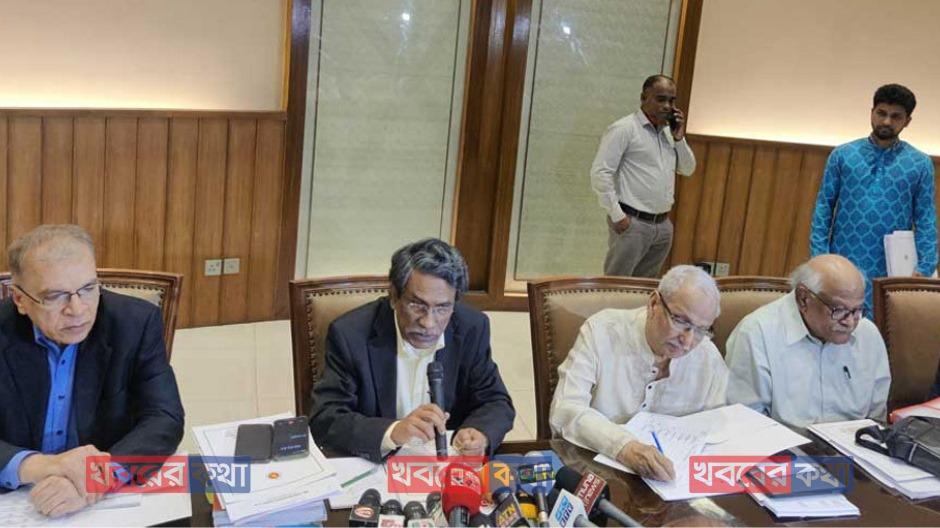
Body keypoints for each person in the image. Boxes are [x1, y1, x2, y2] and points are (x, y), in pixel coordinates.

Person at [0, 225, 184, 517]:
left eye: (88, 289)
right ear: (20, 300)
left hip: (101, 499)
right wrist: (39, 466)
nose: (77, 310)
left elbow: (164, 417)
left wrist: (97, 476)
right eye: (55, 296)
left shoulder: (134, 322)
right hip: (15, 495)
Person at [309, 238, 515, 462]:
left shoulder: (471, 327)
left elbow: (495, 401)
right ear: (394, 296)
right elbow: (326, 418)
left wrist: (480, 433)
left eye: (442, 307)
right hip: (377, 463)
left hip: (445, 465)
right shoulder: (350, 334)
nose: (428, 323)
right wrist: (392, 432)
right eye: (417, 305)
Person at [549, 265, 726, 481]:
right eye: (681, 321)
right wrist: (625, 447)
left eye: (701, 329)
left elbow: (721, 423)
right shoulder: (602, 332)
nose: (687, 341)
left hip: (673, 482)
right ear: (654, 303)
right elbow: (565, 410)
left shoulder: (707, 356)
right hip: (598, 475)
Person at [810, 83, 937, 316]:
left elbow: (925, 218)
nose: (887, 121)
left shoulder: (920, 164)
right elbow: (823, 207)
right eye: (881, 113)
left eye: (896, 116)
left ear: (907, 121)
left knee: (882, 330)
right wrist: (820, 257)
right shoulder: (843, 155)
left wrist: (925, 267)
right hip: (842, 262)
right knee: (834, 323)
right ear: (871, 112)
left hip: (891, 270)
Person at [725, 255, 890, 430]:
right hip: (785, 444)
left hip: (854, 443)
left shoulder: (867, 334)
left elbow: (876, 419)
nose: (850, 322)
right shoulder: (756, 333)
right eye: (839, 310)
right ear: (803, 298)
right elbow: (746, 425)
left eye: (857, 310)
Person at [590, 74, 697, 278]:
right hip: (632, 223)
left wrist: (679, 138)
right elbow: (601, 173)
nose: (667, 106)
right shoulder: (624, 129)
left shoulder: (669, 133)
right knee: (616, 286)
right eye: (660, 99)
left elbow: (688, 169)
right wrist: (618, 216)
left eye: (672, 100)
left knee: (644, 288)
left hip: (662, 225)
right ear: (643, 98)